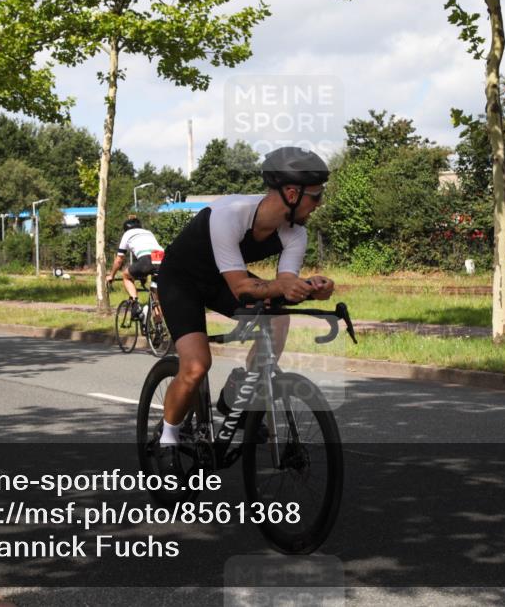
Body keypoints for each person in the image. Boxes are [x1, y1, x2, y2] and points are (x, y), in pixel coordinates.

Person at [154, 146, 334, 474]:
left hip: (220, 279)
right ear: (292, 193)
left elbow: (283, 285)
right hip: (182, 279)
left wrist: (310, 289)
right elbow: (240, 287)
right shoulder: (230, 213)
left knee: (278, 319)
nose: (319, 204)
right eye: (316, 196)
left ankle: (240, 390)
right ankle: (168, 437)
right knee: (196, 366)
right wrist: (283, 288)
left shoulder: (296, 234)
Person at [106, 217, 164, 316]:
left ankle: (135, 304)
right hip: (163, 258)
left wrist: (112, 275)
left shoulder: (127, 234)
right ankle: (159, 327)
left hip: (146, 260)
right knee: (155, 298)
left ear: (126, 229)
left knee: (126, 275)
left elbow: (119, 259)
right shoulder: (148, 232)